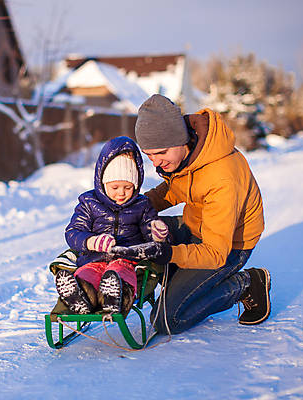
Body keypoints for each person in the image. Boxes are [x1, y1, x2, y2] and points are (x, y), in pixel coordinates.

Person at [111, 94, 270, 334]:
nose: (155, 162)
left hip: (228, 247)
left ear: (179, 139)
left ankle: (246, 284)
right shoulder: (190, 154)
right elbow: (176, 188)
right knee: (132, 226)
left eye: (160, 152)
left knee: (166, 320)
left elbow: (215, 253)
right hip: (194, 227)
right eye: (149, 155)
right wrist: (132, 208)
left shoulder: (221, 177)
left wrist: (169, 253)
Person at [55, 136, 169, 315]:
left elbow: (150, 237)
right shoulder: (89, 202)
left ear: (136, 184)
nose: (121, 193)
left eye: (128, 187)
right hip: (94, 258)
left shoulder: (142, 205)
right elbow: (73, 232)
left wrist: (158, 235)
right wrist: (91, 242)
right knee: (87, 274)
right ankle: (79, 296)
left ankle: (114, 297)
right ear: (103, 182)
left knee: (119, 272)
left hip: (126, 258)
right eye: (115, 187)